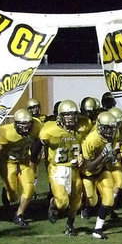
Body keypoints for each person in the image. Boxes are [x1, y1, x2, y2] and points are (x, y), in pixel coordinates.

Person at [0, 109, 43, 227]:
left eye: (28, 124)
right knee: (13, 197)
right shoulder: (6, 133)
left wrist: (36, 154)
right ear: (16, 124)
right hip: (8, 163)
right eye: (22, 125)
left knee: (29, 189)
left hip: (24, 161)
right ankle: (6, 192)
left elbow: (40, 139)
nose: (26, 128)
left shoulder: (37, 126)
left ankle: (19, 215)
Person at [40, 100, 83, 236]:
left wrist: (83, 155)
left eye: (73, 115)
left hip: (74, 168)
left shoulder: (82, 128)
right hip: (57, 169)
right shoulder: (50, 130)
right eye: (67, 115)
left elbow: (87, 142)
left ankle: (70, 225)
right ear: (60, 116)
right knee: (63, 203)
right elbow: (38, 143)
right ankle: (53, 202)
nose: (71, 118)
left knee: (76, 201)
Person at [81, 111, 119, 239]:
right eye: (106, 128)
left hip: (102, 170)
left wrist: (112, 156)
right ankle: (85, 207)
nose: (109, 131)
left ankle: (97, 230)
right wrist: (103, 154)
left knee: (109, 199)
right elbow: (89, 167)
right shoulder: (91, 140)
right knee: (93, 202)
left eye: (111, 128)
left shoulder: (114, 134)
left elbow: (114, 152)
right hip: (88, 174)